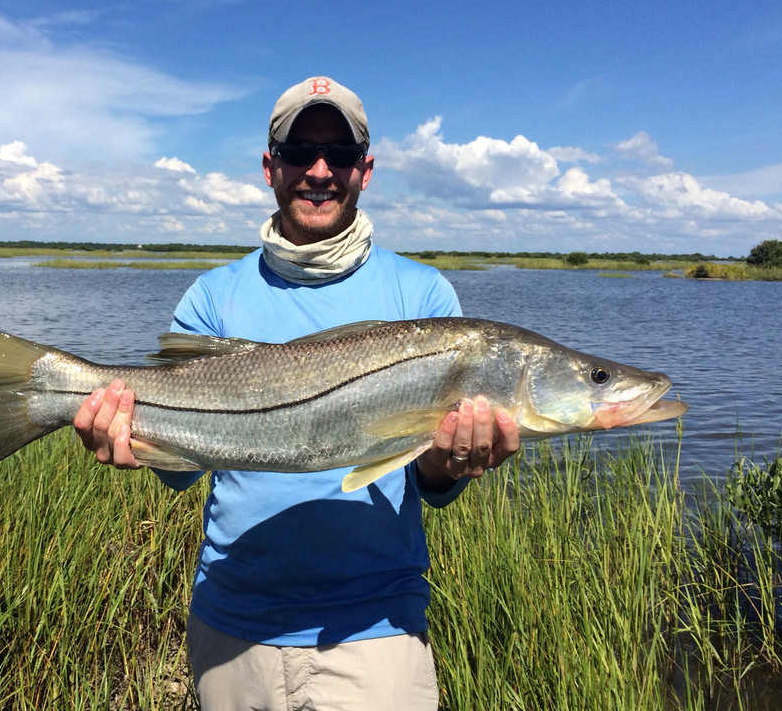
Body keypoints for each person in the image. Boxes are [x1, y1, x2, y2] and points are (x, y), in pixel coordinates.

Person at [74, 76, 520, 709]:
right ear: (269, 167)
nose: (319, 171)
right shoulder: (213, 296)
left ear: (365, 170)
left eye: (339, 155)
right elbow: (181, 474)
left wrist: (450, 463)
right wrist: (132, 439)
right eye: (299, 153)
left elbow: (428, 481)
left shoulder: (425, 300)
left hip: (376, 631)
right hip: (233, 622)